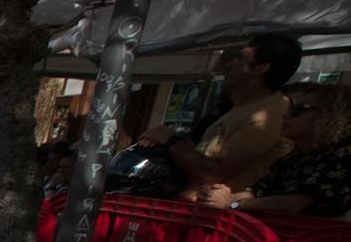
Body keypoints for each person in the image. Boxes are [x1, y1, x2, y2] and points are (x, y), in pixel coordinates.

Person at [140, 36, 302, 200]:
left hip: (220, 221)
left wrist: (171, 140)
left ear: (260, 68)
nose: (228, 65)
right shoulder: (241, 109)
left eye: (239, 59)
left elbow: (215, 174)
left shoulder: (268, 116)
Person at [199, 97, 351, 217]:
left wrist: (233, 203)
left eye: (299, 109)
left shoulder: (341, 156)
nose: (286, 115)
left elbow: (292, 203)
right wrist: (216, 195)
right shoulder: (295, 157)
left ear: (331, 114)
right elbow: (257, 193)